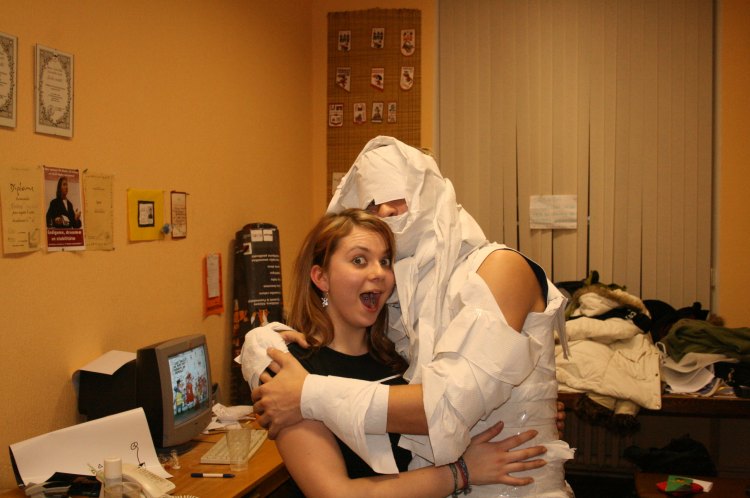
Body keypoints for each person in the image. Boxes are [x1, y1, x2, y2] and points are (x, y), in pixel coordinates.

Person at [251, 136, 575, 497]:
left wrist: (307, 393)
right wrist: (260, 342)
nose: (386, 211)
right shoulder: (400, 308)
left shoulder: (500, 269)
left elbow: (447, 407)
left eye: (397, 196)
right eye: (372, 204)